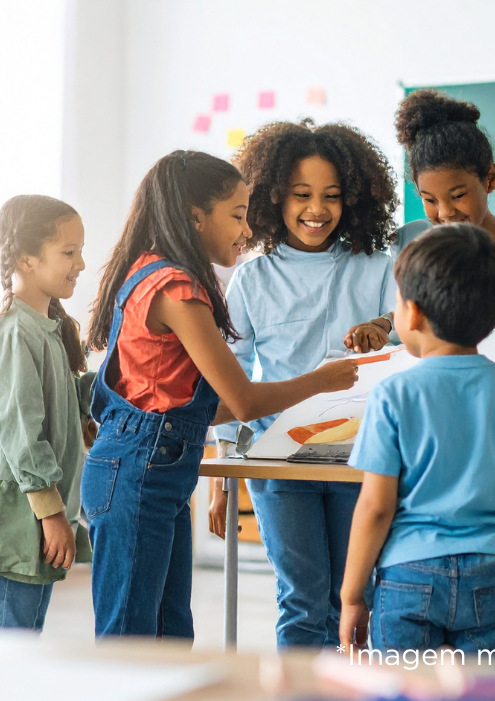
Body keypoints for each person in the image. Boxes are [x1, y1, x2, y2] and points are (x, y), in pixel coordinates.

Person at [81, 149, 358, 640]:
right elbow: (245, 402)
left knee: (167, 634)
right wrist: (323, 380)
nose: (246, 230)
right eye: (236, 215)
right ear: (195, 216)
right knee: (130, 639)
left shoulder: (154, 272)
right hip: (139, 469)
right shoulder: (175, 289)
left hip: (148, 467)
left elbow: (204, 406)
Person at [210, 120, 398, 648]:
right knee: (302, 599)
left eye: (332, 196)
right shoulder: (253, 275)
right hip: (278, 459)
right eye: (301, 195)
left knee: (353, 596)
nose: (317, 209)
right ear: (273, 197)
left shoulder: (377, 268)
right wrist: (226, 469)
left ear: (354, 200)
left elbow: (408, 341)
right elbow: (234, 370)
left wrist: (383, 326)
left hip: (359, 455)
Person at [338, 225, 495, 655]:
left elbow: (376, 507)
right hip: (493, 576)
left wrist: (351, 595)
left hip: (407, 576)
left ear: (411, 314)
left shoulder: (393, 395)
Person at [0, 195, 93, 631]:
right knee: (13, 630)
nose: (80, 264)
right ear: (27, 259)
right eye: (69, 253)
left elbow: (58, 400)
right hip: (21, 507)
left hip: (36, 502)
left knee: (25, 626)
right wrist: (51, 514)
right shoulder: (15, 330)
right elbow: (20, 430)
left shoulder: (48, 327)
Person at [345, 88, 495, 345]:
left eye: (457, 196)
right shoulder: (411, 243)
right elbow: (420, 314)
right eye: (429, 200)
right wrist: (384, 324)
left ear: (490, 179)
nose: (444, 213)